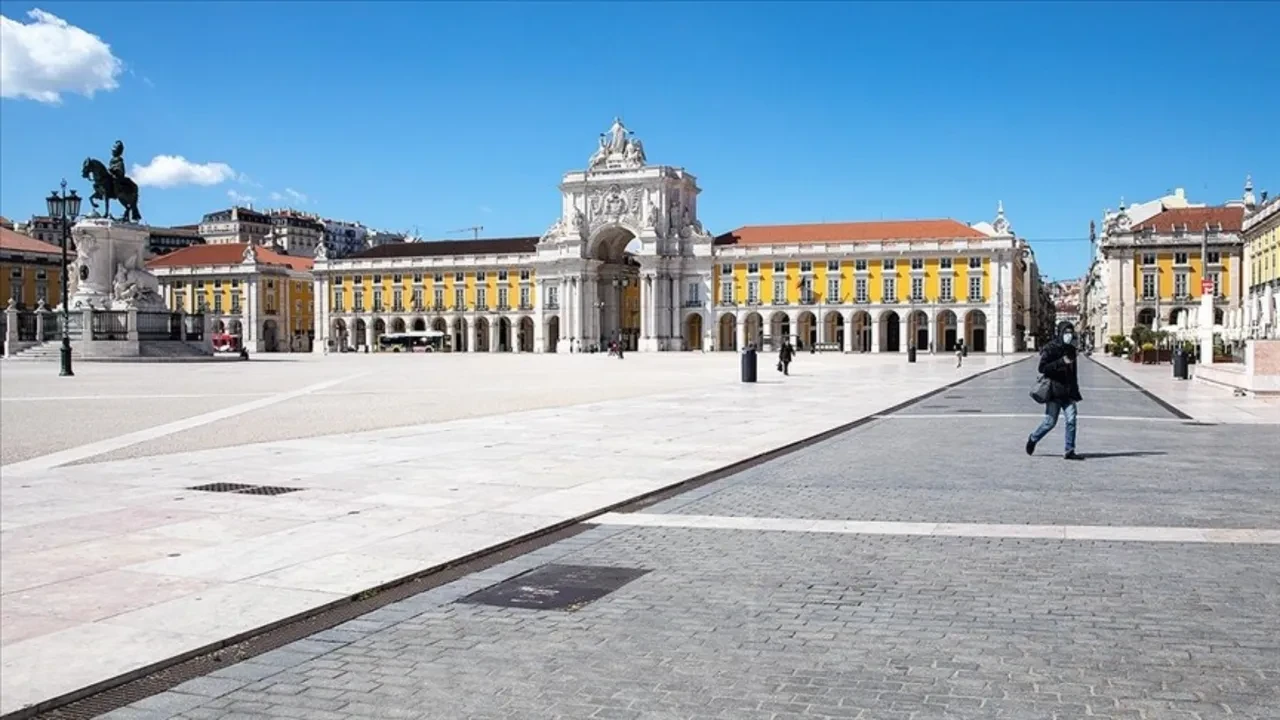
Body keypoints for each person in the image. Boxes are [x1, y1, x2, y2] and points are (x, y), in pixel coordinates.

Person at [1027, 321, 1083, 460]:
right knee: (1050, 422)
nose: (1068, 336)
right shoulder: (1051, 348)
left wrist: (1075, 391)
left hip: (1068, 392)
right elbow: (1042, 368)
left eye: (1071, 333)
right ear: (1060, 333)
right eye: (1066, 333)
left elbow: (1073, 373)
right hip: (1054, 391)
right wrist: (1061, 362)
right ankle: (1034, 438)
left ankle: (1069, 450)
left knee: (1071, 420)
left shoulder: (1071, 349)